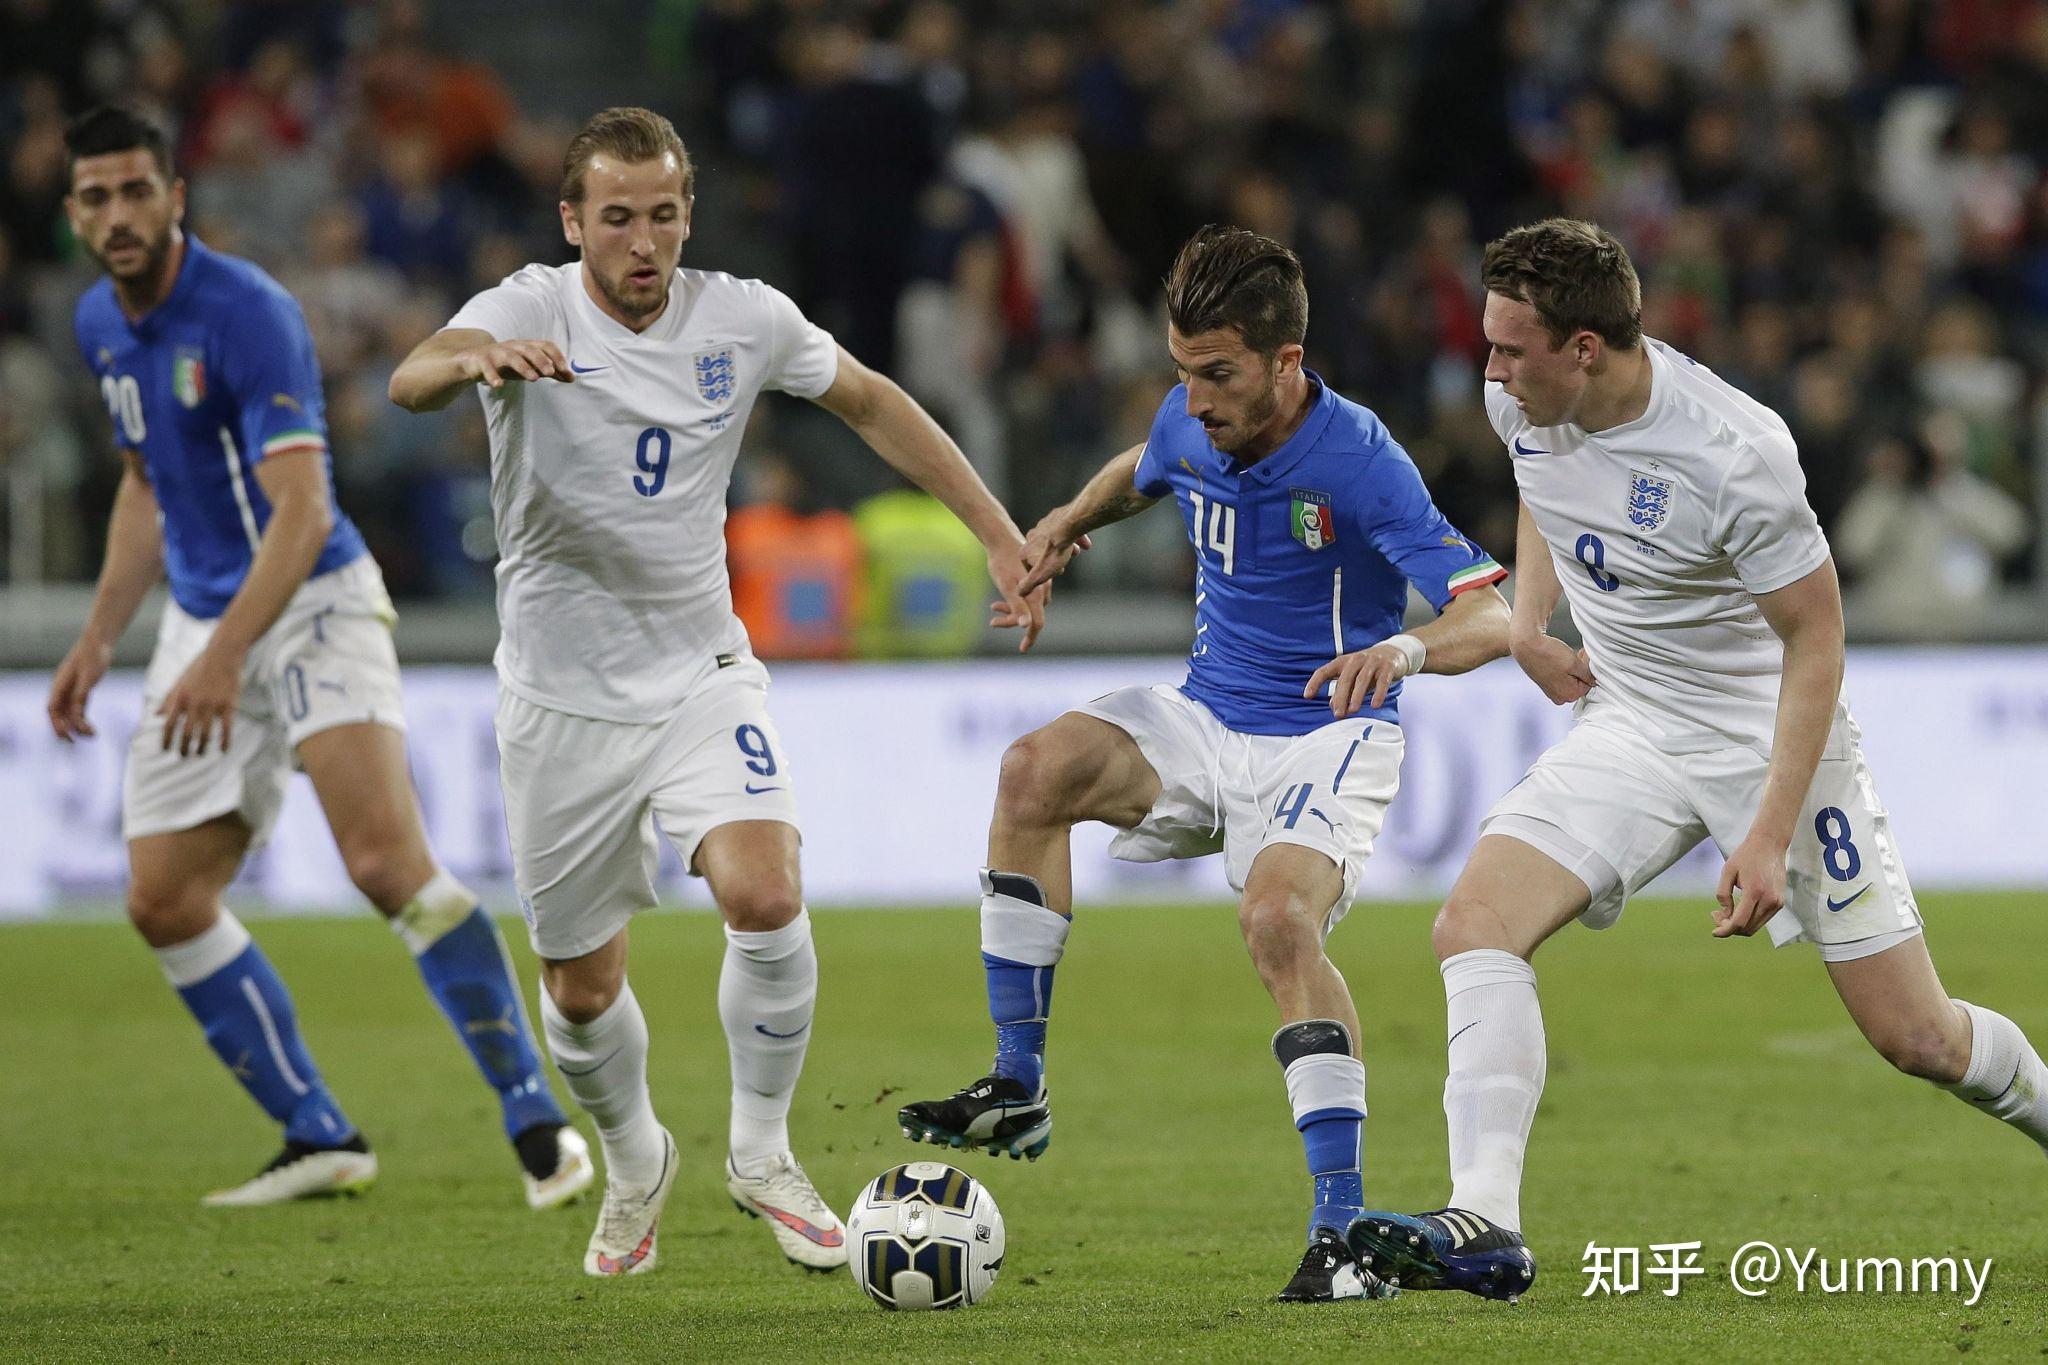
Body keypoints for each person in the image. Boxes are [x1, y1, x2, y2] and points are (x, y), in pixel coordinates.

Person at [386, 106, 1044, 1279]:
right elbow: (410, 376)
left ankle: (759, 1150)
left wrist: (995, 534)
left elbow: (873, 402)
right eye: (619, 218)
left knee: (764, 888)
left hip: (701, 672)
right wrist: (468, 362)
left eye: (665, 215)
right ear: (573, 221)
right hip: (559, 705)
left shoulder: (739, 318)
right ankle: (635, 1157)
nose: (644, 243)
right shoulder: (528, 308)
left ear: (689, 211)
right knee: (583, 993)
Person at [1347, 218, 2048, 1302]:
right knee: (1473, 922)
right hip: (1629, 722)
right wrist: (1530, 622)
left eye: (1508, 348)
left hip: (1765, 738)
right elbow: (1540, 490)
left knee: (1917, 1038)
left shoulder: (1735, 451)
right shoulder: (1521, 401)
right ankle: (1484, 1223)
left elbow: (1814, 641)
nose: (1486, 369)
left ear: (1585, 347)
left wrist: (1765, 834)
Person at [896, 226, 1512, 1304]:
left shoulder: (1359, 460)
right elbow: (1143, 469)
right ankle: (1018, 1080)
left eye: (1216, 374)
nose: (1193, 397)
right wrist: (1058, 528)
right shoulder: (1190, 417)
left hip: (1326, 728)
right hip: (1202, 716)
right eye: (1181, 372)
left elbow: (1489, 615)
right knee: (1032, 771)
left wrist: (1400, 649)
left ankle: (1340, 1237)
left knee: (1277, 922)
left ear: (1284, 362)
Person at [50, 105, 590, 1210]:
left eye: (135, 190)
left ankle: (538, 1122)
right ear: (72, 213)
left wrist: (221, 656)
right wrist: (102, 634)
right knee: (162, 897)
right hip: (207, 623)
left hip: (311, 605)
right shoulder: (99, 324)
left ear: (176, 196)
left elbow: (301, 512)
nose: (117, 214)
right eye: (94, 196)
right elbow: (148, 480)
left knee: (386, 866)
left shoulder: (248, 314)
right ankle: (318, 1133)